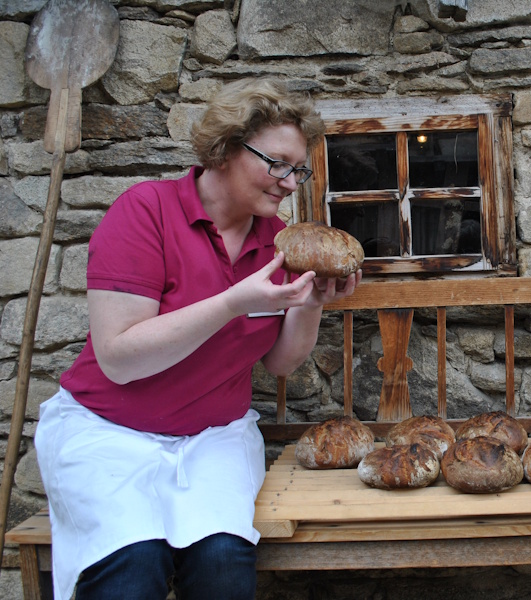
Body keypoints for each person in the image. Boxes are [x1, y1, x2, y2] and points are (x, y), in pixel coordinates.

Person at [34, 78, 361, 600]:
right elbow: (118, 358)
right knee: (131, 565)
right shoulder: (146, 212)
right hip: (109, 433)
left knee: (222, 564)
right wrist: (232, 302)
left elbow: (280, 362)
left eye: (298, 169)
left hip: (214, 438)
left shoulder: (274, 242)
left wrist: (312, 300)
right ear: (228, 147)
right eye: (277, 163)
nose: (289, 182)